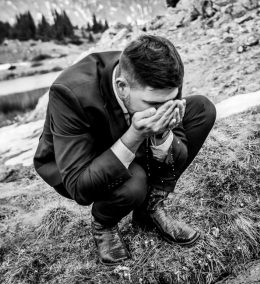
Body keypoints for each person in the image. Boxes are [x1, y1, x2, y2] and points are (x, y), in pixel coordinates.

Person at [33, 34, 216, 265]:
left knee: (202, 109)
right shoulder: (70, 92)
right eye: (154, 105)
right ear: (122, 87)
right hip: (78, 164)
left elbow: (178, 155)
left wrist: (162, 133)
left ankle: (151, 207)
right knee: (134, 183)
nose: (162, 111)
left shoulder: (158, 85)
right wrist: (135, 136)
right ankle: (104, 225)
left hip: (129, 141)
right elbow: (80, 187)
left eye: (170, 100)